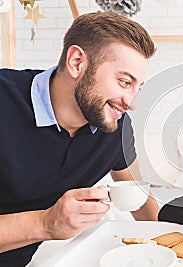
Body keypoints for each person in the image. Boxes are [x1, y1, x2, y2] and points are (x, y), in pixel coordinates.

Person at [0, 12, 159, 266]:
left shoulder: (114, 126)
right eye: (124, 81)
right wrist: (46, 223)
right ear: (76, 62)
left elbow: (139, 200)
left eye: (136, 87)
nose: (131, 102)